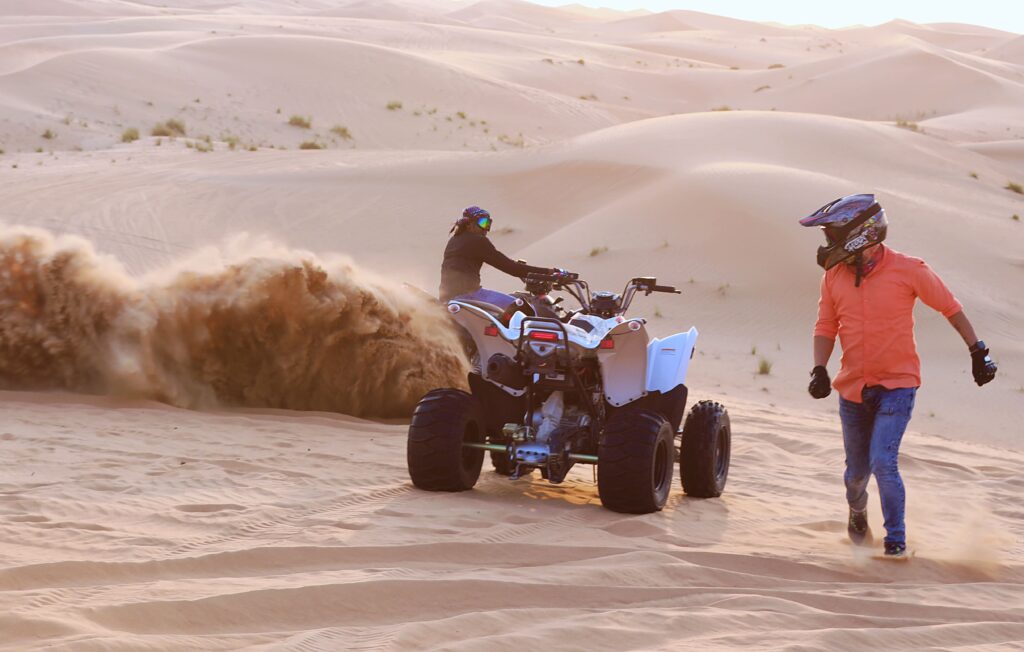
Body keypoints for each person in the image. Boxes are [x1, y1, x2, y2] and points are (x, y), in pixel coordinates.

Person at [800, 194, 997, 558]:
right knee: (855, 475)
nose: (827, 245)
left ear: (860, 234)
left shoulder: (910, 270)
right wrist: (819, 369)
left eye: (832, 236)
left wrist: (977, 351)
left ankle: (896, 542)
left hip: (898, 385)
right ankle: (858, 512)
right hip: (853, 388)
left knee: (883, 463)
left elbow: (950, 308)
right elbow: (826, 325)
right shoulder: (833, 278)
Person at [439, 206, 564, 307]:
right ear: (469, 224)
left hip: (448, 297)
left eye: (489, 223)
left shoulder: (455, 240)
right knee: (523, 307)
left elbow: (504, 263)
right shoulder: (477, 241)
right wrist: (551, 273)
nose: (486, 229)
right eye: (483, 223)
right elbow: (512, 269)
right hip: (469, 296)